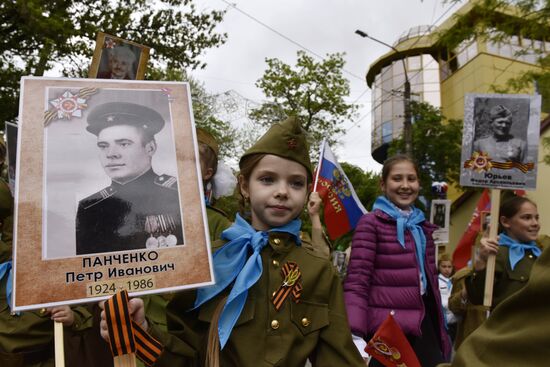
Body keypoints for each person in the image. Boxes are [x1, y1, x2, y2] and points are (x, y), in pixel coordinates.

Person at [100, 116, 365, 366]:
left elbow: (338, 358)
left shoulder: (319, 271)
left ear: (308, 192)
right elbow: (182, 355)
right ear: (245, 186)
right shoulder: (209, 261)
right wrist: (141, 331)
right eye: (267, 179)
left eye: (296, 183)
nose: (282, 191)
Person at [344, 154, 452, 366]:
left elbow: (430, 286)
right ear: (383, 184)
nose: (405, 185)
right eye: (397, 179)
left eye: (411, 179)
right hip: (387, 330)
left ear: (419, 183)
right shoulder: (370, 223)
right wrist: (355, 332)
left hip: (423, 326)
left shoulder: (423, 227)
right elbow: (357, 281)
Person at [0, 137, 91, 366]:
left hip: (47, 357)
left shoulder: (66, 244)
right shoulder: (11, 230)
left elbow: (88, 295)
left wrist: (73, 316)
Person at [76, 102, 184, 255]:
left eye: (124, 144)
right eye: (103, 146)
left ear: (150, 148)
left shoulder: (180, 193)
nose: (111, 154)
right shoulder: (89, 206)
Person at [437, 243, 550, 367]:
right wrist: (465, 294)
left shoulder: (528, 271)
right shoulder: (464, 277)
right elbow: (453, 306)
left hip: (507, 342)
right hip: (474, 341)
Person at [465, 196, 542, 310]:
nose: (535, 223)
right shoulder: (496, 253)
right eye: (526, 218)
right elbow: (477, 297)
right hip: (512, 326)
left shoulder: (542, 253)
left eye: (536, 217)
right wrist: (481, 261)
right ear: (505, 222)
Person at [438, 253, 457, 343]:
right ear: (439, 267)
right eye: (444, 266)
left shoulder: (454, 281)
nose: (447, 269)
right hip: (443, 322)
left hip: (455, 320)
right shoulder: (436, 282)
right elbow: (441, 302)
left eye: (449, 267)